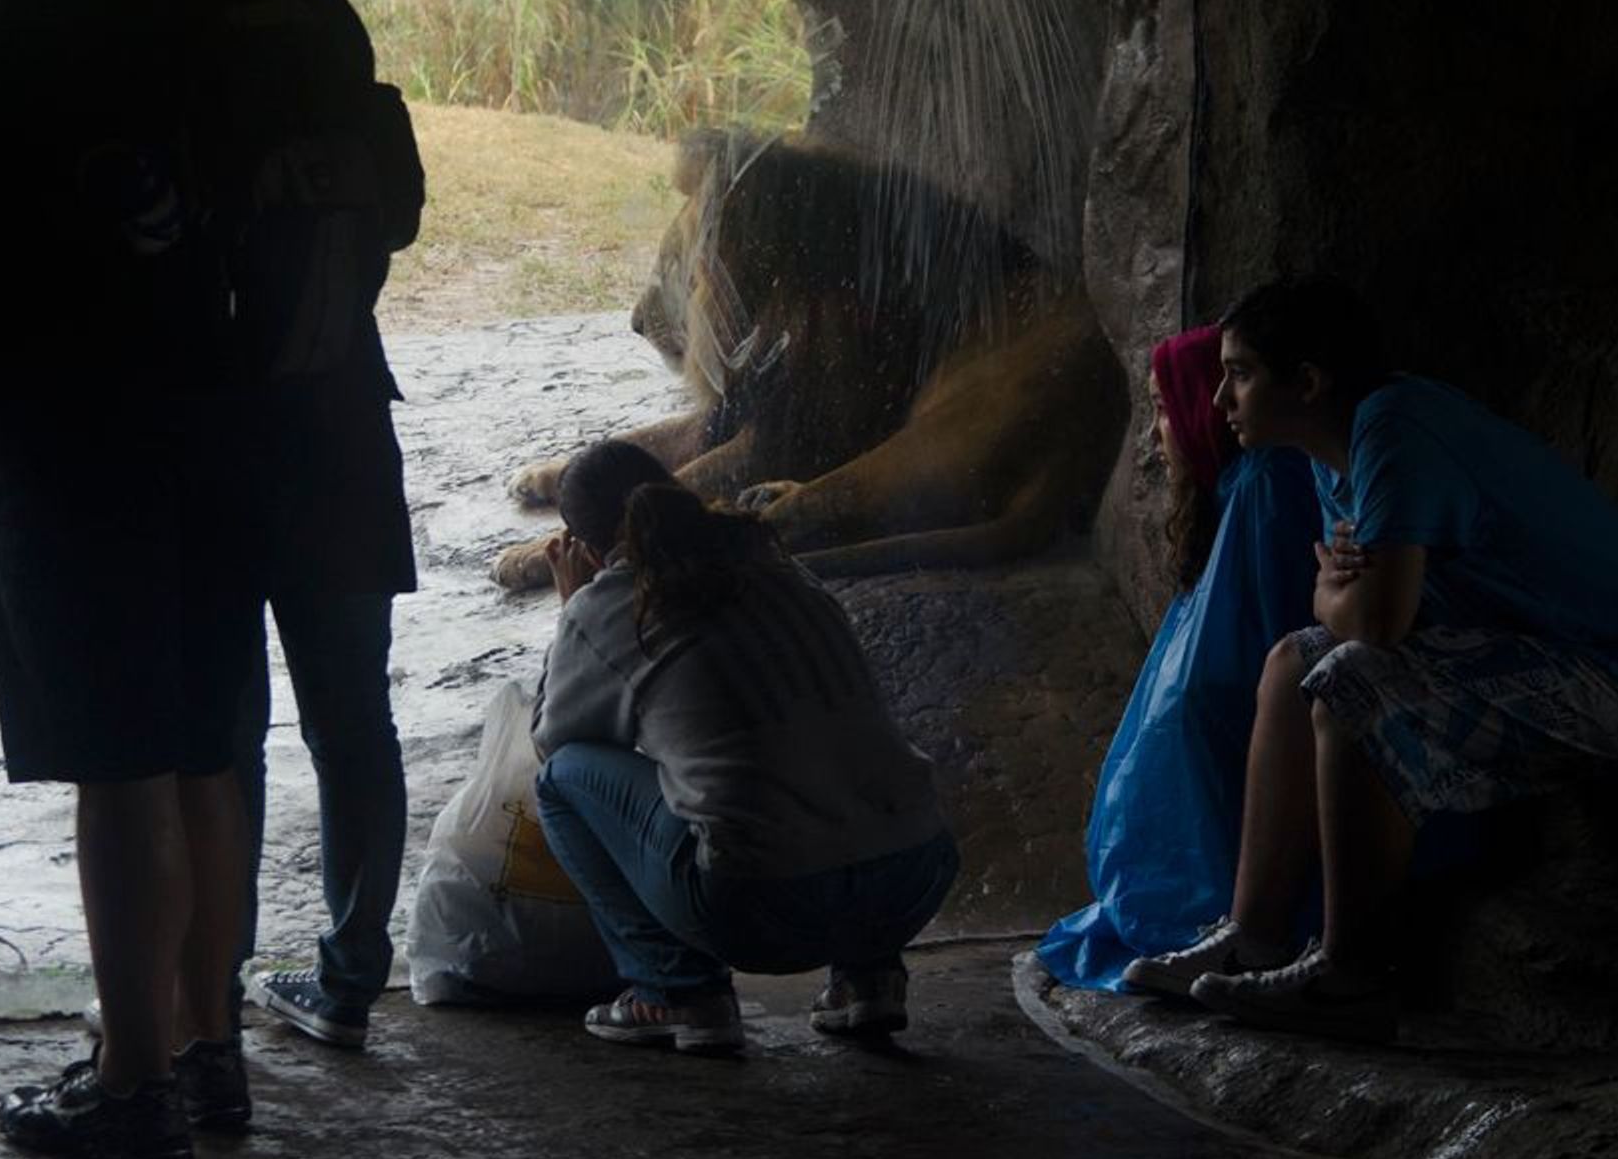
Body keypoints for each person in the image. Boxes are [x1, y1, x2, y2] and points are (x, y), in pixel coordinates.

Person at [0, 0, 419, 1159]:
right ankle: (211, 1050)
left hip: (85, 427)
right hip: (262, 423)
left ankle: (133, 1075)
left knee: (120, 763)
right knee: (212, 741)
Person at [1125, 278, 1618, 1041]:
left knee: (1352, 680)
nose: (1219, 400)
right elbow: (1357, 603)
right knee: (1291, 663)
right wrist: (1339, 600)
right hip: (1532, 649)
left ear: (1308, 382)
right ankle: (1255, 936)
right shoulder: (1331, 449)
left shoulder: (1393, 432)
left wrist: (1334, 597)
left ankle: (1351, 975)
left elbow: (1372, 620)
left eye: (1240, 373)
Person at [531, 441, 959, 1052]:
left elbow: (553, 741)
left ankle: (678, 992)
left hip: (765, 906)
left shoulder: (610, 602)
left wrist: (573, 608)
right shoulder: (779, 566)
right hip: (918, 871)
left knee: (564, 780)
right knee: (832, 758)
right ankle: (870, 980)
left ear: (587, 546)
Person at [1038, 326, 1321, 991]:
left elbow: (1230, 670)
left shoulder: (1266, 486)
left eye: (1165, 408)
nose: (1155, 433)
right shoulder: (1236, 493)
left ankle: (1238, 927)